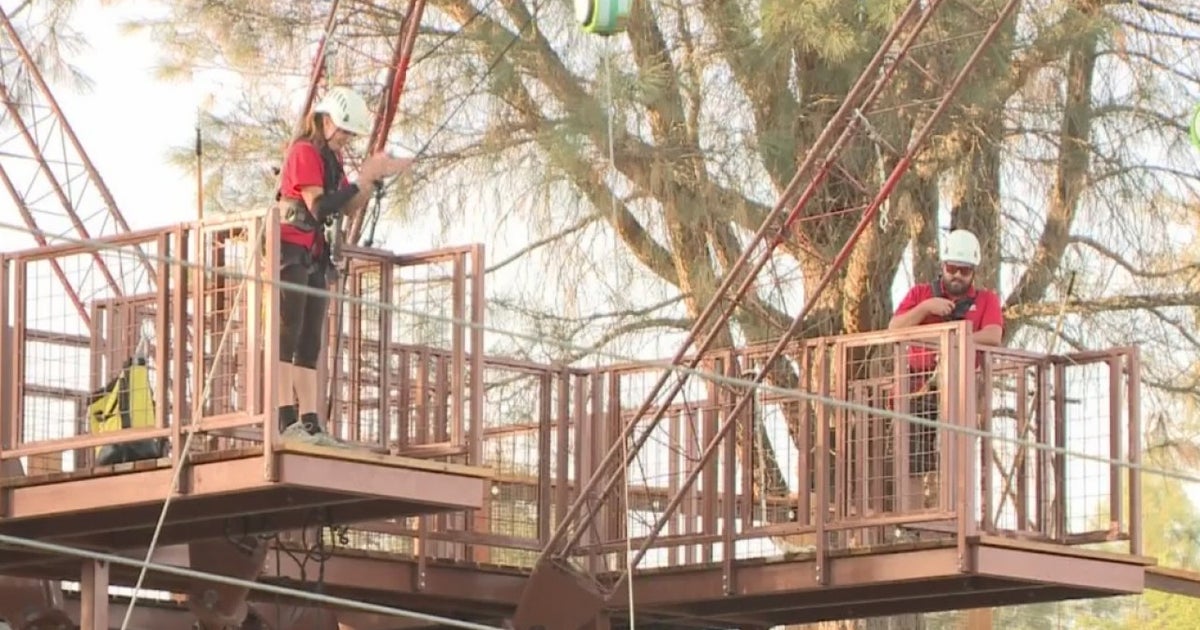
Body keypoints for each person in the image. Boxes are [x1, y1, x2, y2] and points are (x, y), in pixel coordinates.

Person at [274, 86, 411, 445]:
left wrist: (370, 179)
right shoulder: (304, 152)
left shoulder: (330, 160)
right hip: (290, 248)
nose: (345, 139)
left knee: (309, 340)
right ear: (326, 121)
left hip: (312, 252)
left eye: (350, 133)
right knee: (288, 332)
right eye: (343, 131)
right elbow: (320, 206)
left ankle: (309, 420)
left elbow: (346, 205)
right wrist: (362, 180)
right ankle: (284, 417)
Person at [888, 228, 1003, 495]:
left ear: (973, 272)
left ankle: (955, 508)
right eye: (952, 269)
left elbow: (993, 335)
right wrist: (926, 308)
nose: (957, 275)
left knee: (956, 457)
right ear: (943, 266)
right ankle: (914, 513)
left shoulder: (986, 300)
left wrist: (957, 339)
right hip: (918, 388)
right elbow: (894, 327)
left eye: (964, 270)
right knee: (913, 458)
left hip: (959, 390)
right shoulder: (921, 294)